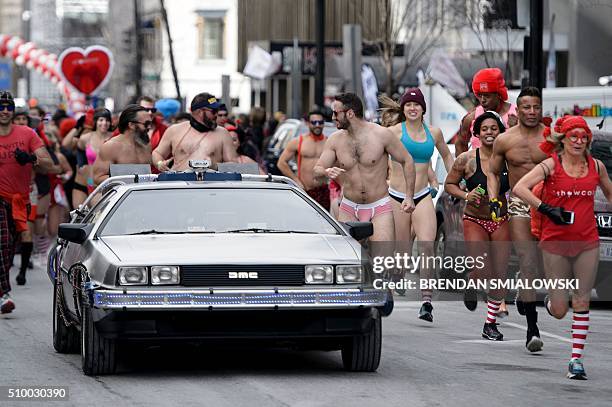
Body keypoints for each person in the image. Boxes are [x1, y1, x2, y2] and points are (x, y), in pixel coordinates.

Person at [513, 115, 612, 380]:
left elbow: (610, 195)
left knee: (582, 299)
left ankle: (576, 359)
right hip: (555, 241)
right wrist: (546, 208)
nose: (579, 141)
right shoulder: (550, 165)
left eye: (584, 137)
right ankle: (550, 302)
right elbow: (520, 188)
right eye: (573, 136)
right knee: (559, 310)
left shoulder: (597, 167)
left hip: (587, 240)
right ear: (563, 139)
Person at [379, 88, 453, 322]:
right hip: (397, 197)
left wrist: (454, 178)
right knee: (400, 253)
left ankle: (427, 302)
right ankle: (394, 279)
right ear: (403, 109)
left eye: (416, 105)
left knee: (427, 246)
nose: (412, 108)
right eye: (408, 105)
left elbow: (447, 157)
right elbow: (376, 158)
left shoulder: (435, 133)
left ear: (423, 109)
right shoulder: (392, 133)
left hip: (422, 196)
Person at [488, 86, 548, 352]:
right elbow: (492, 172)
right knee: (527, 259)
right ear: (518, 109)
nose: (532, 112)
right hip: (520, 205)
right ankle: (532, 330)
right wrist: (493, 198)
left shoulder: (551, 138)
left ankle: (525, 299)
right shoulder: (505, 140)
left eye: (536, 107)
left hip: (547, 206)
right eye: (527, 107)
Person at [314, 92, 416, 242]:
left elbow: (407, 160)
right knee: (349, 260)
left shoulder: (381, 135)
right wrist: (326, 171)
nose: (332, 117)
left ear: (350, 113)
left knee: (382, 261)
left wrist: (409, 196)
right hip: (349, 207)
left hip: (379, 207)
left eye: (336, 113)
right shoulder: (335, 140)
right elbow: (317, 170)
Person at [445, 111, 511, 340]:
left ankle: (490, 324)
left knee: (500, 272)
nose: (490, 132)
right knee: (483, 269)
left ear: (500, 132)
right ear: (477, 133)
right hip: (474, 219)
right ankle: (473, 278)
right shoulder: (467, 159)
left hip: (501, 219)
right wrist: (465, 195)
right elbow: (449, 185)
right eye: (485, 129)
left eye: (494, 128)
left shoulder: (508, 160)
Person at [0, 91, 53, 313]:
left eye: (8, 107)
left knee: (11, 247)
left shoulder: (27, 134)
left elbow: (49, 164)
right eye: (0, 106)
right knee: (1, 242)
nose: (4, 111)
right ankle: (4, 294)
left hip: (20, 200)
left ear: (13, 111)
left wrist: (31, 159)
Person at [152, 93, 238, 172]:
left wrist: (215, 166)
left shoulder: (223, 133)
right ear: (200, 112)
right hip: (179, 185)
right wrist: (160, 163)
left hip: (211, 185)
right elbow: (157, 153)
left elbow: (234, 165)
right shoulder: (174, 130)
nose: (216, 115)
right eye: (213, 111)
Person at [455, 68, 518, 155]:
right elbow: (460, 144)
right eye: (479, 95)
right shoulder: (471, 118)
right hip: (478, 167)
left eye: (487, 96)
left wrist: (516, 129)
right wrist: (464, 166)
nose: (482, 100)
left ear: (498, 93)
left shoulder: (517, 115)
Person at [278, 111, 330, 210]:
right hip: (305, 190)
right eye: (314, 122)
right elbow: (281, 163)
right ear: (307, 123)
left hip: (324, 191)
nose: (317, 125)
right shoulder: (298, 141)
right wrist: (296, 181)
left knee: (323, 224)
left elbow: (339, 165)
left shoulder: (329, 143)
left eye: (320, 122)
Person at [93, 105, 153, 185]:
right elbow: (98, 178)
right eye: (146, 123)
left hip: (144, 196)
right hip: (121, 196)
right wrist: (129, 180)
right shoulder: (111, 146)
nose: (149, 127)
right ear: (131, 125)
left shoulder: (146, 146)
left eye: (150, 123)